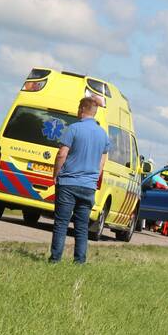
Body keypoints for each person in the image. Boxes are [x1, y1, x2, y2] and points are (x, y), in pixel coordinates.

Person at [49, 96, 110, 264]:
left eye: (78, 108)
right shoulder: (103, 134)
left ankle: (55, 259)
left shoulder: (73, 128)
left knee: (61, 223)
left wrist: (56, 174)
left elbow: (62, 154)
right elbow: (102, 161)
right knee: (82, 226)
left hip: (68, 183)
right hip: (88, 186)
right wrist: (94, 177)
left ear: (82, 109)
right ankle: (79, 261)